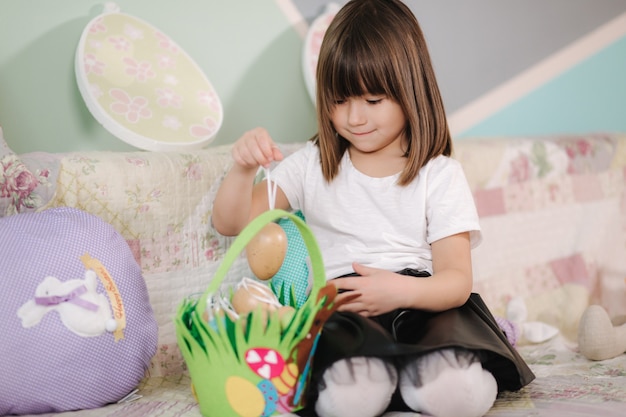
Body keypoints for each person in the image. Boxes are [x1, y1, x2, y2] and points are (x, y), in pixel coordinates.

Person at [212, 0, 535, 416]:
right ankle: (391, 382)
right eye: (340, 100)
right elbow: (231, 223)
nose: (354, 117)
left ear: (409, 90)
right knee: (348, 400)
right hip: (345, 311)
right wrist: (242, 169)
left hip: (422, 302)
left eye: (373, 99)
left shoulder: (439, 174)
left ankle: (415, 378)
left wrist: (401, 290)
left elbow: (455, 280)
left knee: (458, 395)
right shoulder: (312, 165)